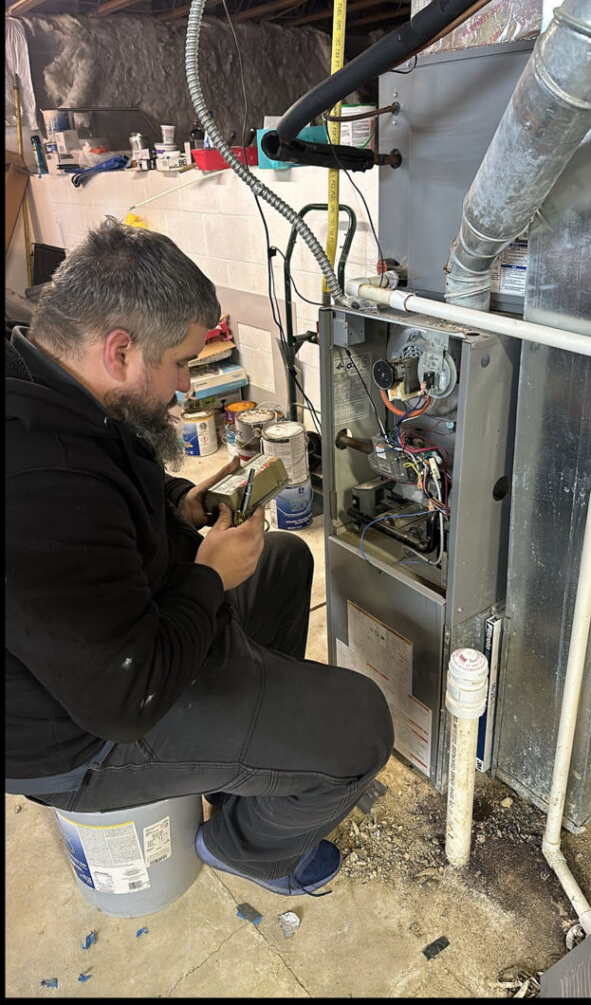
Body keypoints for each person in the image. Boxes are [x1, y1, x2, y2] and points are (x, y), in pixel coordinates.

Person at [5, 218, 393, 897]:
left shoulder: (44, 373)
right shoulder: (42, 487)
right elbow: (127, 700)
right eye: (182, 363)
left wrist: (173, 504)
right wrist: (209, 577)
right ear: (120, 350)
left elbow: (106, 483)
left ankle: (247, 769)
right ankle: (242, 848)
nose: (186, 386)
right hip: (81, 735)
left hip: (108, 644)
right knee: (360, 728)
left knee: (279, 560)